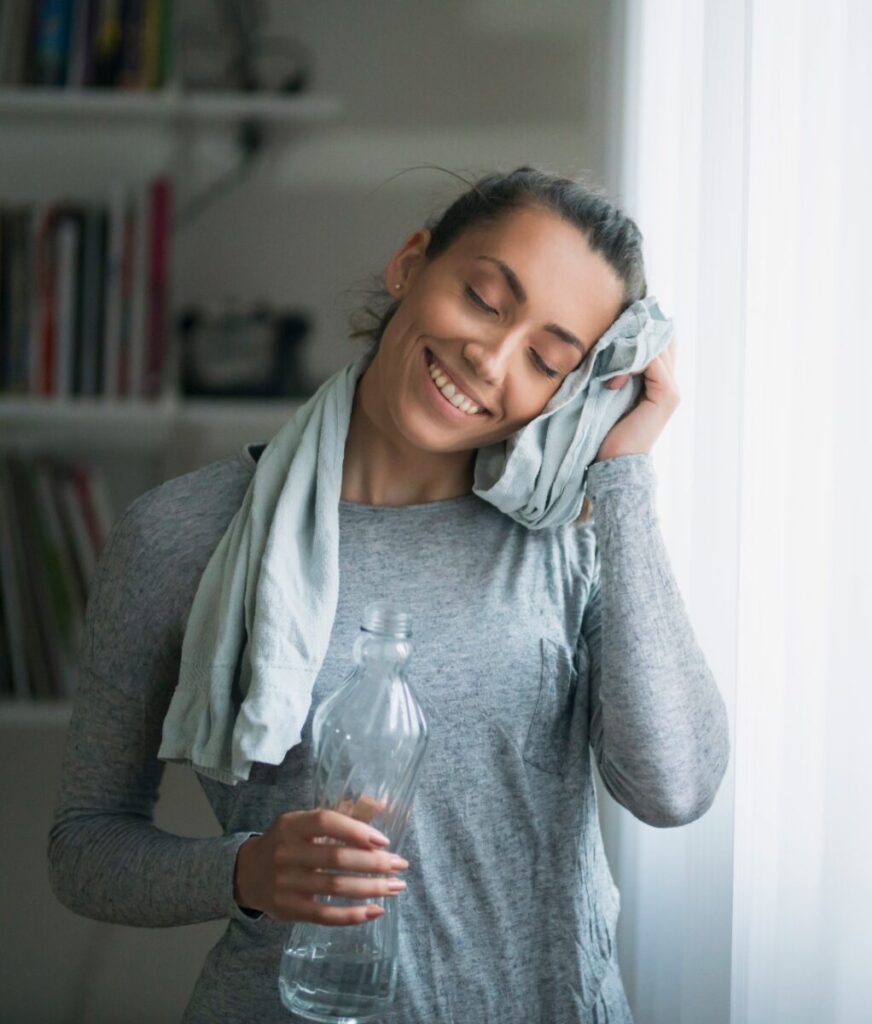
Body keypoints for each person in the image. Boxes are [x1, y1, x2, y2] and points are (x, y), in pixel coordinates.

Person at [48, 165, 730, 1023]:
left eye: (547, 358)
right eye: (484, 298)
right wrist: (248, 870)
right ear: (411, 264)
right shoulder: (182, 533)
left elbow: (674, 788)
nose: (491, 357)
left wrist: (623, 475)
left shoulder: (574, 539)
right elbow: (85, 848)